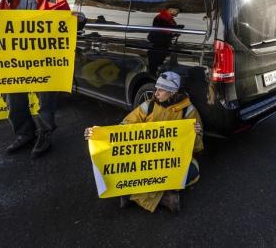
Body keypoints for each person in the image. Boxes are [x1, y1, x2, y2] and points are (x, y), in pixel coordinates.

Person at [84, 71, 203, 213]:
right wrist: (99, 134)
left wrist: (195, 134)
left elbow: (197, 148)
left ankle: (130, 194)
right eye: (156, 88)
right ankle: (165, 198)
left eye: (161, 90)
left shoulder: (189, 111)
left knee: (193, 171)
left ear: (172, 92)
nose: (156, 93)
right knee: (122, 166)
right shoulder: (148, 105)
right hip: (147, 159)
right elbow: (124, 128)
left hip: (171, 160)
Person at [0, 0, 70, 158]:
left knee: (46, 99)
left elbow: (65, 27)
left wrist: (76, 21)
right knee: (12, 96)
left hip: (43, 58)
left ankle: (45, 133)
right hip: (15, 57)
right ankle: (25, 134)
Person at [147, 6, 184, 74]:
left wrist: (175, 31)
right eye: (177, 11)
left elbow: (167, 29)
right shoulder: (161, 17)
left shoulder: (169, 18)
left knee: (159, 63)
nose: (178, 12)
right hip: (158, 44)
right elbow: (161, 29)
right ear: (170, 10)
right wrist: (175, 28)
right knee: (154, 65)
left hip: (163, 44)